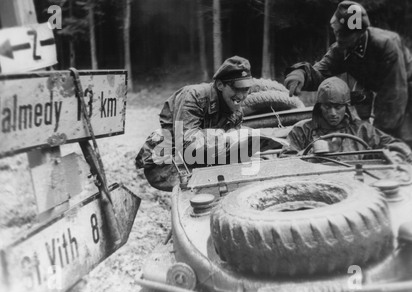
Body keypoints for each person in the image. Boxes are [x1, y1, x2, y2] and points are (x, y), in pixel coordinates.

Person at [136, 56, 276, 192]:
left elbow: (230, 150)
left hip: (206, 158)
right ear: (220, 85)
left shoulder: (236, 111)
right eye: (236, 89)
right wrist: (228, 138)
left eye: (245, 90)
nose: (241, 96)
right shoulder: (194, 96)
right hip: (169, 164)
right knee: (198, 196)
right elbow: (186, 144)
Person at [284, 1, 412, 144]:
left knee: (401, 143)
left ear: (361, 33)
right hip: (382, 93)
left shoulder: (387, 45)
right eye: (338, 33)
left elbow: (394, 95)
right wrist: (300, 74)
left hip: (405, 91)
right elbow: (321, 71)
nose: (340, 39)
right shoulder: (342, 48)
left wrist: (378, 137)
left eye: (347, 35)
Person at [282, 77, 412, 161]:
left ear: (346, 106)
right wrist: (308, 154)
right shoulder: (302, 130)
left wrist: (397, 152)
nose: (333, 113)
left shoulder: (362, 129)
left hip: (357, 185)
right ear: (319, 106)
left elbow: (393, 144)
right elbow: (284, 161)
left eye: (338, 107)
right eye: (327, 106)